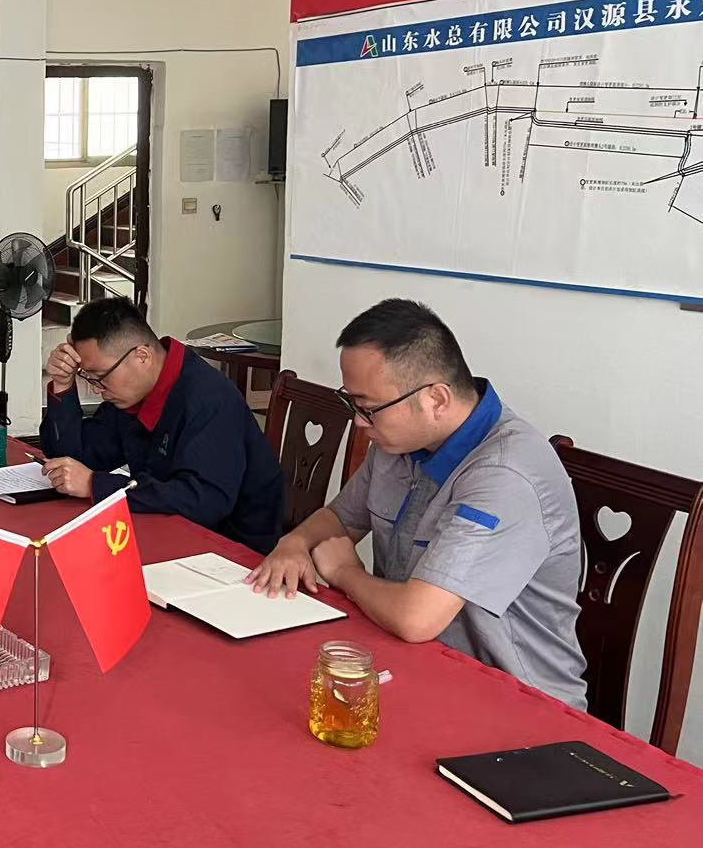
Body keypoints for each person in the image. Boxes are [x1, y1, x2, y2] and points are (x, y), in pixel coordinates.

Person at [248, 298, 587, 708]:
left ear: (437, 400)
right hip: (414, 665)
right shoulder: (399, 443)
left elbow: (416, 619)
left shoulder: (504, 476)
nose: (358, 422)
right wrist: (293, 545)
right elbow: (338, 519)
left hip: (516, 703)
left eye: (369, 408)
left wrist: (343, 572)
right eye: (352, 404)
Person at [40, 296, 286, 553]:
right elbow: (75, 459)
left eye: (100, 376)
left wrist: (96, 484)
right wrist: (63, 384)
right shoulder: (130, 394)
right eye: (88, 377)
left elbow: (204, 501)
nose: (96, 388)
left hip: (230, 551)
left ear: (142, 356)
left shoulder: (208, 399)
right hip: (163, 529)